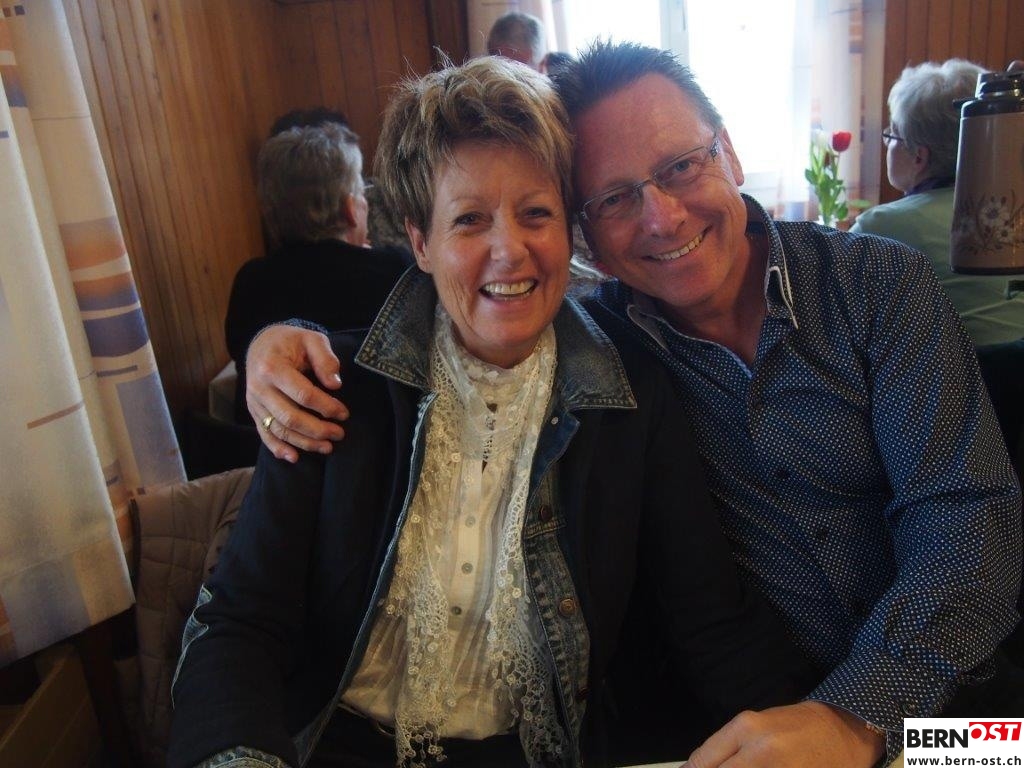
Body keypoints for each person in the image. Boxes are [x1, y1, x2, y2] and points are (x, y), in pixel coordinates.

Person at [244, 41, 1023, 767]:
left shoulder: (877, 286)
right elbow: (462, 303)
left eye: (681, 166)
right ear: (587, 232)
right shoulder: (610, 361)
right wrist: (282, 340)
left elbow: (967, 521)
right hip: (759, 718)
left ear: (730, 152)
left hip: (955, 707)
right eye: (616, 198)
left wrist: (856, 721)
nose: (662, 217)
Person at [170, 56, 814, 768]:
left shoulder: (633, 396)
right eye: (470, 219)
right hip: (334, 745)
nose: (510, 251)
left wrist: (823, 735)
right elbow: (240, 624)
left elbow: (712, 622)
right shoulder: (332, 386)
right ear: (420, 242)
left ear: (569, 232)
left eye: (536, 213)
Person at [224, 120, 413, 425]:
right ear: (351, 208)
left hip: (263, 442)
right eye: (362, 191)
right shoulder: (395, 269)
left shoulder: (250, 280)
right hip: (370, 435)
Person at [850, 59, 1024, 347]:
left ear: (919, 156)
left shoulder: (881, 227)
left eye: (892, 136)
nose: (888, 145)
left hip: (961, 372)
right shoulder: (1012, 209)